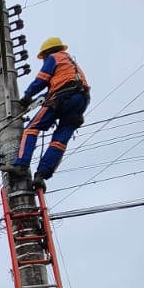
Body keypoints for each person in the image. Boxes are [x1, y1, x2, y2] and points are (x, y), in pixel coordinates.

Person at [8, 37, 91, 184]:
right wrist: (38, 99)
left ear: (47, 53)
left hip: (63, 98)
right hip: (81, 101)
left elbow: (41, 80)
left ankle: (21, 165)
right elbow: (53, 89)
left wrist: (27, 96)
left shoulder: (53, 58)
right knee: (59, 142)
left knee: (31, 129)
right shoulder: (70, 63)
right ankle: (41, 175)